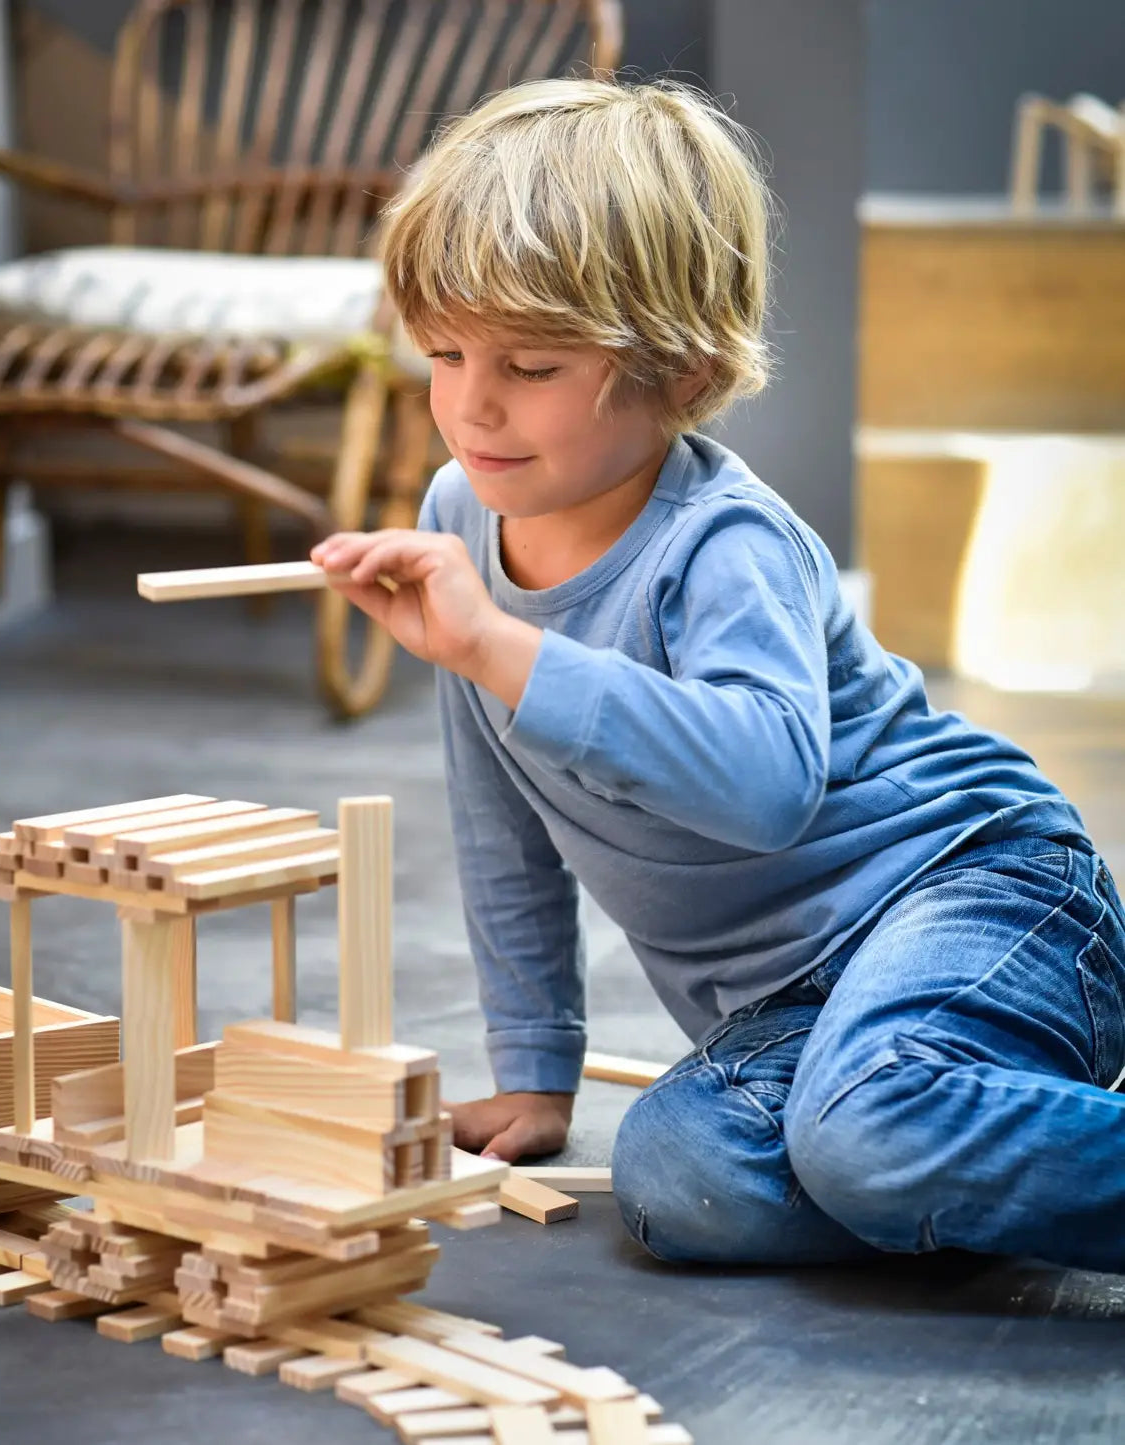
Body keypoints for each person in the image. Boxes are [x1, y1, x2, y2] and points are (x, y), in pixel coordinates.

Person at [311, 76, 1125, 1271]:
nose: (470, 403)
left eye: (531, 365)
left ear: (681, 373)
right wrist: (535, 1070)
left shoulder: (725, 545)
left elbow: (764, 787)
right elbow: (500, 816)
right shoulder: (460, 515)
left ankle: (929, 1118)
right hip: (791, 1011)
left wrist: (498, 642)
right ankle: (954, 1134)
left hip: (972, 891)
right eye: (442, 351)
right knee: (680, 1180)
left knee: (868, 1126)